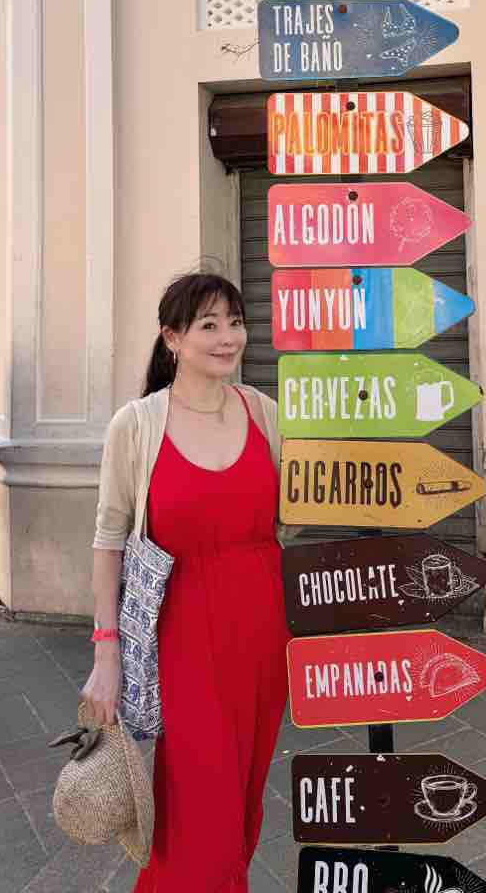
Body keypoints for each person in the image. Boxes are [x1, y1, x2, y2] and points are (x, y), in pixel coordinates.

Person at [83, 273, 289, 893]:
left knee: (243, 806)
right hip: (182, 642)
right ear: (172, 338)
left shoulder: (264, 413)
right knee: (201, 812)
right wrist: (106, 654)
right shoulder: (137, 425)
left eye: (236, 322)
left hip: (263, 634)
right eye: (209, 325)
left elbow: (293, 516)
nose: (228, 338)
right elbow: (109, 540)